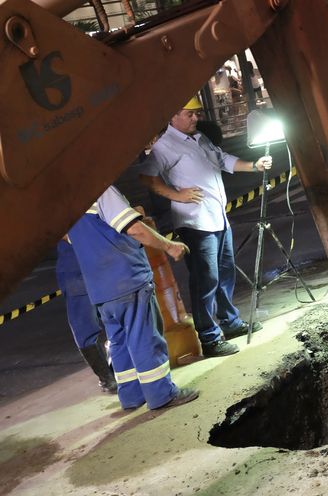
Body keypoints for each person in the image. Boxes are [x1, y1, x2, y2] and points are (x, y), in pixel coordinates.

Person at [140, 96, 271, 358]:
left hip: (217, 218)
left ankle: (230, 322)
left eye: (197, 114)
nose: (195, 118)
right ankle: (209, 338)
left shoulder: (199, 138)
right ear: (173, 115)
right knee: (205, 280)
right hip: (195, 223)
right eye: (189, 114)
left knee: (224, 274)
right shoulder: (165, 147)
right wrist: (178, 195)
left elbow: (222, 159)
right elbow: (147, 178)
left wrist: (253, 165)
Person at [67, 186, 198, 411]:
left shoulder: (65, 202)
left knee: (119, 342)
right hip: (126, 277)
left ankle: (131, 396)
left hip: (100, 288)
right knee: (144, 337)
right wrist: (169, 246)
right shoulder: (101, 191)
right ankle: (162, 394)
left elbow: (72, 239)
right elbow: (135, 229)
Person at [56, 238, 117, 394]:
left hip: (84, 265)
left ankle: (109, 377)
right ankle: (109, 376)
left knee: (90, 324)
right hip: (86, 265)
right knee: (97, 321)